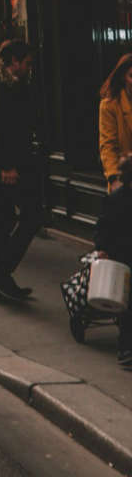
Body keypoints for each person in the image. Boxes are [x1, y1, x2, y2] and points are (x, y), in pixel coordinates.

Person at [0, 39, 40, 303]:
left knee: (1, 224)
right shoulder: (0, 87)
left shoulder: (5, 84)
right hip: (5, 167)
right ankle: (0, 273)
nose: (29, 68)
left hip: (5, 165)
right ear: (14, 62)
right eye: (27, 63)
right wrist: (7, 165)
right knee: (30, 216)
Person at [94, 151, 132, 371]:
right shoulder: (116, 199)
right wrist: (102, 249)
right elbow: (103, 227)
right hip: (123, 256)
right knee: (127, 307)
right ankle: (126, 348)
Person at [99, 54, 132, 192]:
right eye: (131, 76)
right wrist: (113, 179)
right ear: (123, 77)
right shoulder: (110, 105)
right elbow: (108, 146)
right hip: (125, 180)